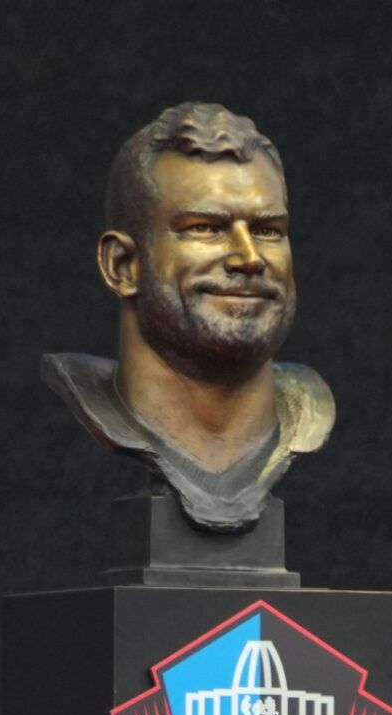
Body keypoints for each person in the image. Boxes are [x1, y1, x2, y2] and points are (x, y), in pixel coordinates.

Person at [42, 101, 332, 533]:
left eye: (268, 231)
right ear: (122, 265)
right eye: (206, 228)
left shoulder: (309, 411)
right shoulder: (93, 398)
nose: (249, 258)